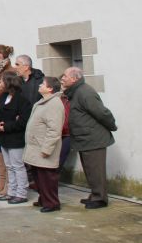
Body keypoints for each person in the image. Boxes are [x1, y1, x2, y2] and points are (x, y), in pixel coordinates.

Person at [61, 67, 116, 209]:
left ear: (74, 78)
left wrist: (112, 126)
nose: (63, 78)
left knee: (96, 170)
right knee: (90, 170)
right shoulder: (76, 92)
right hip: (85, 138)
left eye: (65, 76)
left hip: (93, 138)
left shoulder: (85, 92)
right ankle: (95, 194)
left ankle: (100, 199)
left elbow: (102, 113)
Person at [23, 77, 65, 212]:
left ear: (50, 88)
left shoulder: (54, 104)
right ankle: (44, 199)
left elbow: (54, 130)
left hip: (43, 148)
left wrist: (47, 149)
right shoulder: (43, 102)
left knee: (47, 178)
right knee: (39, 177)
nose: (40, 85)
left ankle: (52, 203)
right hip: (36, 147)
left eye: (43, 84)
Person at [0, 71, 32, 204]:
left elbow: (22, 121)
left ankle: (21, 193)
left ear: (8, 83)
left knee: (18, 166)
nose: (0, 84)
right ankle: (11, 192)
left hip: (15, 138)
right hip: (4, 137)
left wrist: (7, 126)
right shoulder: (4, 97)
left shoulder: (22, 100)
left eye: (1, 81)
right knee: (9, 166)